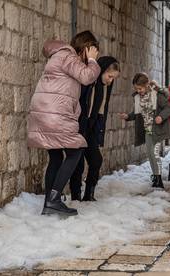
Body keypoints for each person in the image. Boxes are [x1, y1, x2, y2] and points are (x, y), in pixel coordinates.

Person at [27, 31, 101, 216]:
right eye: (92, 51)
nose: (94, 56)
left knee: (56, 157)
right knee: (76, 150)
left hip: (46, 112)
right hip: (55, 114)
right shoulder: (68, 56)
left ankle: (48, 204)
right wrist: (92, 61)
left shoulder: (60, 55)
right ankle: (53, 199)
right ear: (85, 48)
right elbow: (87, 77)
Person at [69, 56, 121, 201]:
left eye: (113, 78)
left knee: (96, 160)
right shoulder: (90, 82)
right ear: (102, 70)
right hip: (79, 126)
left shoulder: (105, 87)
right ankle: (75, 196)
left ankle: (89, 194)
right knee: (77, 164)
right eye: (109, 76)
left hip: (90, 128)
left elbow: (101, 109)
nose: (111, 80)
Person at [119, 73, 170, 189]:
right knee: (150, 154)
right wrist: (127, 116)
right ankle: (155, 176)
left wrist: (161, 117)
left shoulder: (157, 95)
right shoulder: (138, 98)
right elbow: (137, 113)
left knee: (155, 154)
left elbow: (169, 108)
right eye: (136, 89)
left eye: (140, 88)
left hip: (158, 130)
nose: (138, 91)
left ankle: (159, 180)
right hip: (147, 130)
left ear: (147, 85)